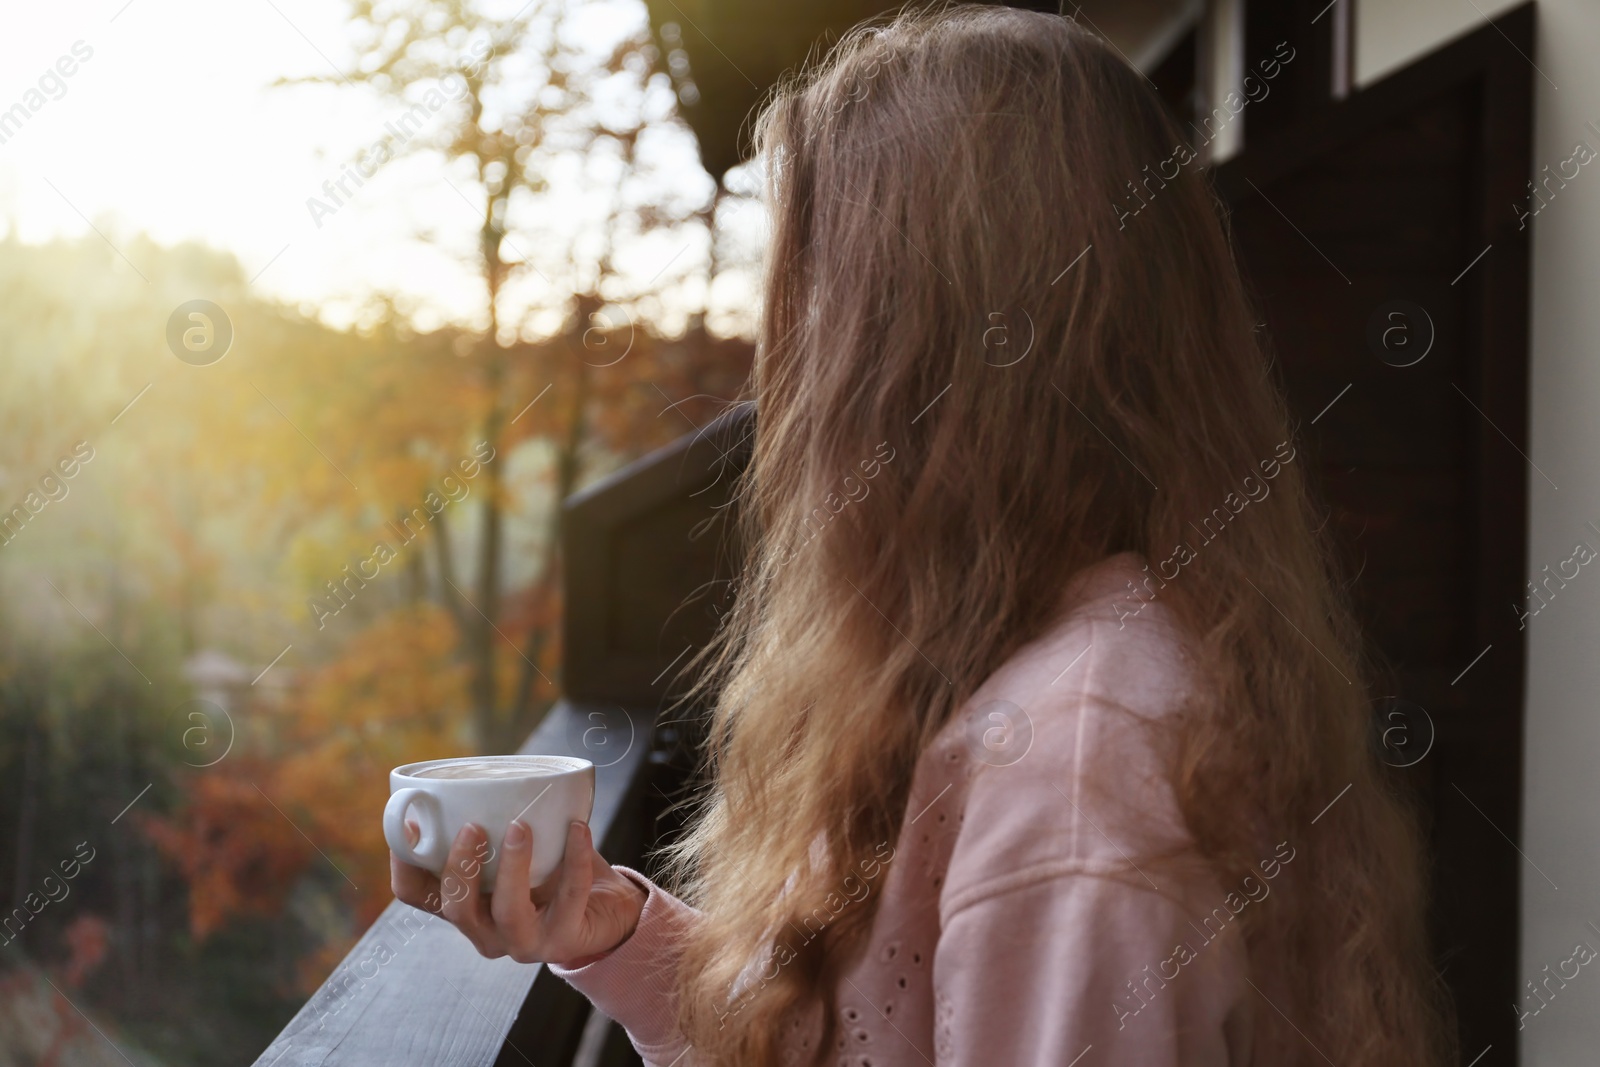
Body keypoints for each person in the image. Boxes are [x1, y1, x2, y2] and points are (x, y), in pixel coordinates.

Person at [391, 6, 1456, 1064]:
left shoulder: (1074, 771)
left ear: (897, 352)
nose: (783, 367)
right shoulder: (1048, 662)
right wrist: (615, 930)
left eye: (811, 298)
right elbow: (870, 1029)